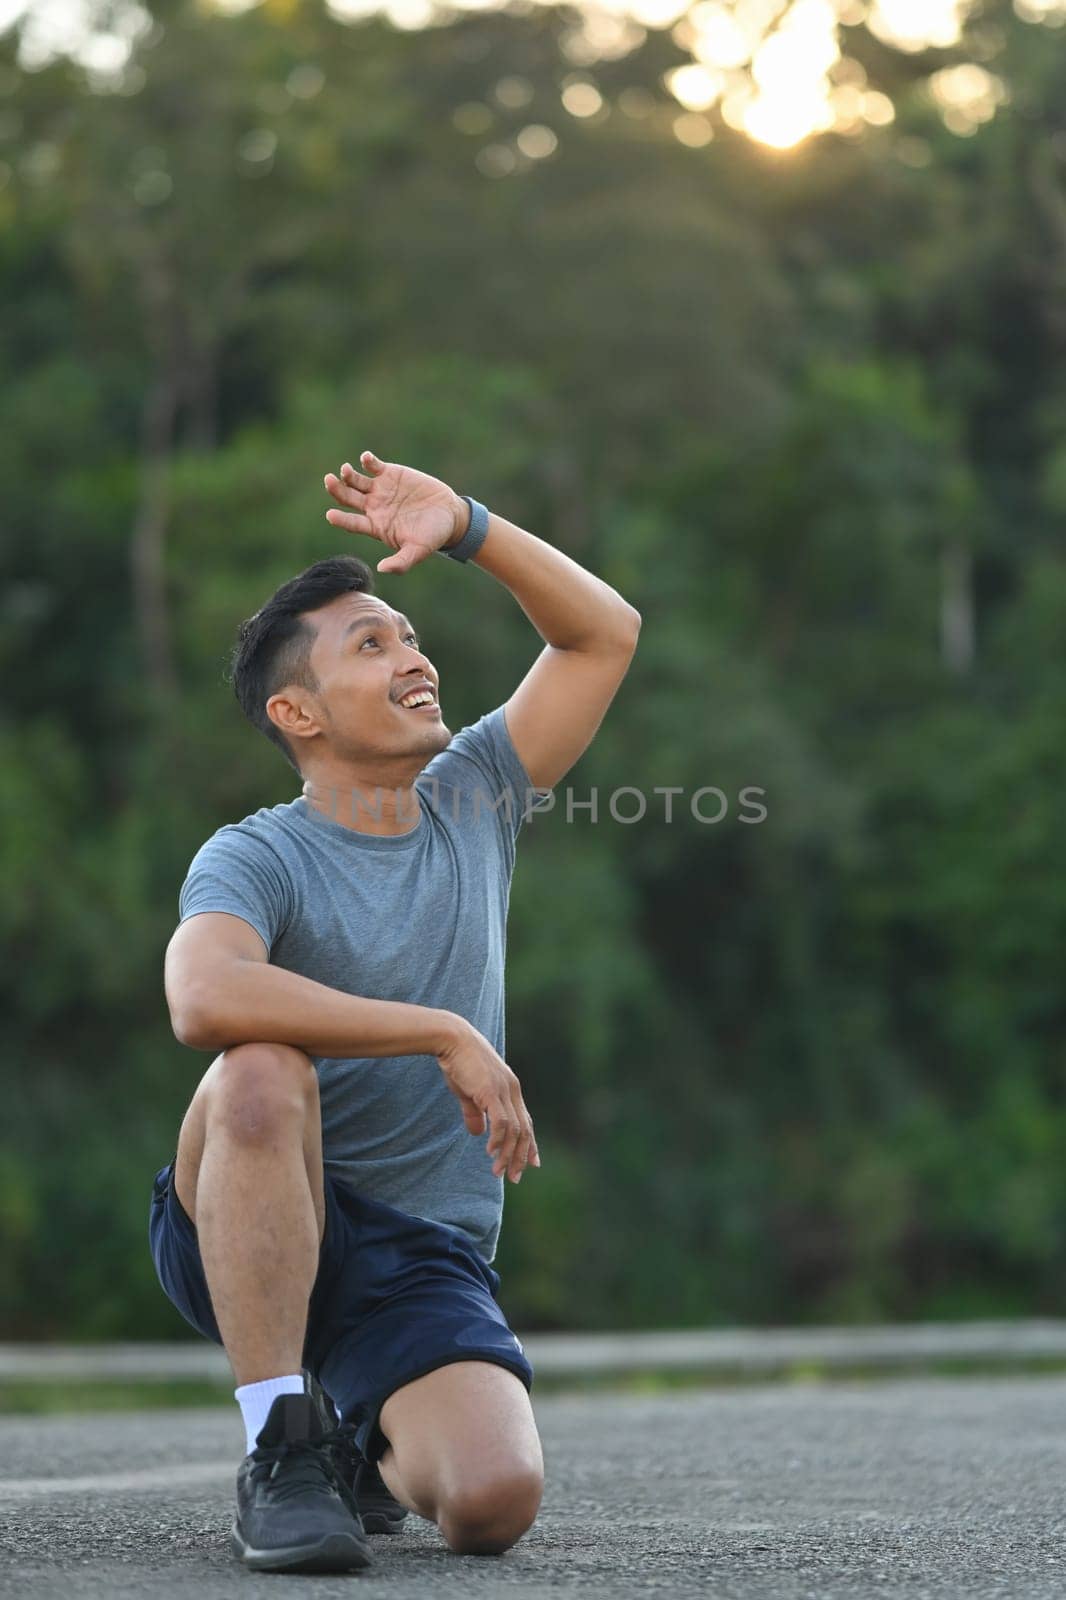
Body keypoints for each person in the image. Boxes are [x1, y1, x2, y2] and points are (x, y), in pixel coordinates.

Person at [149, 449, 641, 1573]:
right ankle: (281, 1441)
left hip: (417, 1252)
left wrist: (468, 523)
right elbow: (202, 994)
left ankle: (359, 1433)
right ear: (296, 712)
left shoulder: (474, 792)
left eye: (410, 635)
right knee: (260, 1062)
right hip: (245, 1203)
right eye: (370, 645)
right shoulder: (255, 853)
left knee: (492, 1503)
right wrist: (439, 1030)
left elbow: (602, 634)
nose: (415, 657)